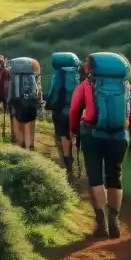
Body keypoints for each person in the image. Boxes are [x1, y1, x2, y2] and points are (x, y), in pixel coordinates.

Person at [69, 53, 131, 239]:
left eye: (87, 63)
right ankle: (114, 220)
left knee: (95, 177)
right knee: (114, 176)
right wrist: (128, 123)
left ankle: (101, 222)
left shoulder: (85, 86)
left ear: (93, 68)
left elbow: (74, 110)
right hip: (119, 136)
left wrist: (73, 131)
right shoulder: (127, 86)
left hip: (92, 135)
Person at [46, 52, 81, 180]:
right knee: (73, 135)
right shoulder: (77, 75)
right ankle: (75, 158)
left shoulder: (57, 75)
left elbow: (53, 92)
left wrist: (49, 104)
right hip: (74, 112)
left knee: (62, 135)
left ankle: (67, 162)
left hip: (60, 111)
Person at [7, 57, 42, 150]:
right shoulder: (35, 68)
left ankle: (21, 145)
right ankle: (30, 145)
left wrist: (9, 102)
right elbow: (39, 88)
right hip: (31, 101)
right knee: (30, 124)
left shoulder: (12, 72)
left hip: (16, 100)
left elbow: (9, 88)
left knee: (17, 122)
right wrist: (39, 102)